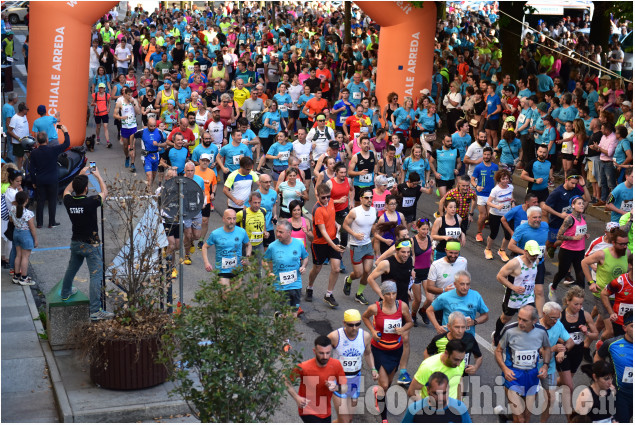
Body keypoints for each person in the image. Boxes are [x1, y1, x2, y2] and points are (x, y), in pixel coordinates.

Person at [60, 168, 113, 320]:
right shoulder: (91, 202)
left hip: (76, 242)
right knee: (95, 277)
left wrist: (79, 175)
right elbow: (105, 192)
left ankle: (65, 292)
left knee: (71, 269)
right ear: (86, 189)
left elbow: (66, 190)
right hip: (91, 244)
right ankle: (95, 311)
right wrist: (98, 175)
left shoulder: (69, 202)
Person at [361, 280, 413, 423]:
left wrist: (403, 329)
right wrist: (372, 331)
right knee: (384, 384)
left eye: (394, 293)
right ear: (383, 295)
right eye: (388, 294)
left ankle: (379, 394)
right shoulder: (375, 308)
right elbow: (364, 317)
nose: (391, 297)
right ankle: (384, 418)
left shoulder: (401, 306)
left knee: (388, 384)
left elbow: (410, 322)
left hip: (396, 349)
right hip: (379, 349)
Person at [495, 305, 551, 423]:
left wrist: (545, 366)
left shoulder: (541, 331)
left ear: (534, 321)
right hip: (513, 375)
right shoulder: (509, 330)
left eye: (524, 320)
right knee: (519, 418)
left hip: (532, 375)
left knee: (526, 417)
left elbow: (547, 348)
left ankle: (505, 417)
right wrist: (505, 369)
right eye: (519, 318)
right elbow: (498, 350)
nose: (520, 322)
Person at [327, 309, 376, 423]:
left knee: (348, 419)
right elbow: (322, 354)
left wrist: (373, 368)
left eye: (357, 324)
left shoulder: (365, 336)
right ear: (344, 323)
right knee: (343, 420)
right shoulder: (334, 336)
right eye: (351, 325)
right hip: (338, 381)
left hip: (355, 381)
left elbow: (368, 353)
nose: (354, 328)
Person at [286, 335, 347, 423]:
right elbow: (285, 380)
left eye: (328, 353)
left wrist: (336, 388)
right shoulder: (304, 367)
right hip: (307, 410)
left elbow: (344, 388)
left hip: (325, 411)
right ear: (314, 351)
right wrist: (297, 398)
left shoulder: (336, 365)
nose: (325, 357)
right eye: (321, 353)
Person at [582, 229, 630, 340]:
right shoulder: (603, 254)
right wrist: (591, 282)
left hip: (618, 295)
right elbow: (584, 262)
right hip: (602, 295)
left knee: (599, 325)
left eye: (626, 244)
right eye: (621, 244)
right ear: (613, 243)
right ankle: (600, 350)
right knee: (610, 331)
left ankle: (585, 346)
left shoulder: (627, 253)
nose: (624, 246)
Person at [493, 240, 542, 346]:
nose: (534, 257)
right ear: (525, 252)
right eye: (532, 254)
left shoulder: (536, 261)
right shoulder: (515, 263)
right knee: (505, 318)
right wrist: (513, 287)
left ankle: (524, 340)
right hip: (513, 297)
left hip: (528, 296)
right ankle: (496, 335)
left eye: (536, 255)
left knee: (531, 317)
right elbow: (499, 276)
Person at [306, 183, 346, 307]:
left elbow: (330, 216)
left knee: (336, 268)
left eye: (328, 196)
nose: (326, 199)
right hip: (320, 243)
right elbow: (322, 232)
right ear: (317, 195)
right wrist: (334, 246)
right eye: (323, 197)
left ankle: (329, 294)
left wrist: (335, 224)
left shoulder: (331, 202)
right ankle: (310, 287)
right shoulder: (317, 209)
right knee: (317, 269)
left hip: (333, 239)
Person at [537, 301, 574, 422]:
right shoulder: (534, 326)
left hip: (549, 367)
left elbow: (570, 341)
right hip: (531, 366)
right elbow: (533, 349)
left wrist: (563, 350)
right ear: (544, 314)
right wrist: (553, 349)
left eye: (557, 318)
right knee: (527, 398)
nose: (555, 321)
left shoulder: (558, 324)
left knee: (550, 399)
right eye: (552, 318)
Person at [263, 219, 309, 317]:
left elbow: (305, 257)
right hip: (279, 286)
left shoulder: (298, 244)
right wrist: (268, 272)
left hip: (295, 285)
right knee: (282, 316)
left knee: (293, 315)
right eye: (277, 231)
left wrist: (303, 266)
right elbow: (264, 260)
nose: (278, 234)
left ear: (289, 233)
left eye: (281, 232)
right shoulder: (272, 246)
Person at [594, 311, 633, 424]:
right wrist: (603, 378)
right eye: (633, 326)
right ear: (624, 328)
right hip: (621, 394)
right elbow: (598, 357)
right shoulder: (612, 344)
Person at [548, 196, 589, 300]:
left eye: (582, 203)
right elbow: (559, 236)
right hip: (567, 250)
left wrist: (585, 234)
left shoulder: (583, 217)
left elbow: (579, 230)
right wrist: (573, 238)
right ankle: (553, 288)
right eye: (579, 203)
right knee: (562, 272)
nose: (581, 205)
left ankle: (580, 300)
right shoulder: (569, 219)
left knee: (580, 274)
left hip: (580, 250)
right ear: (573, 205)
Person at [29, 125, 70, 228]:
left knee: (40, 201)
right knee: (52, 200)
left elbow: (31, 169)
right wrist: (65, 131)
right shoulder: (53, 150)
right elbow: (67, 144)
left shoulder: (34, 153)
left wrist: (34, 181)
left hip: (40, 180)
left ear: (38, 141)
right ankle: (51, 222)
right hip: (52, 179)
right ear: (47, 140)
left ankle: (39, 223)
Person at [427, 270, 489, 337]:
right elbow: (429, 310)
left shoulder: (476, 296)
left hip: (468, 338)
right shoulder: (445, 297)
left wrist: (475, 321)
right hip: (449, 337)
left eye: (467, 284)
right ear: (455, 284)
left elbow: (485, 315)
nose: (465, 287)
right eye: (462, 284)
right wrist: (437, 327)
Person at [543, 171, 590, 259]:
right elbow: (545, 206)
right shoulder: (557, 192)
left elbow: (588, 199)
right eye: (572, 183)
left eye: (576, 184)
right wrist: (559, 214)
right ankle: (542, 256)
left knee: (563, 240)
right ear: (566, 180)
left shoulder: (575, 189)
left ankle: (555, 247)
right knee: (550, 242)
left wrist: (583, 186)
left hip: (570, 223)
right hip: (556, 222)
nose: (574, 186)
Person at [342, 188, 376, 306]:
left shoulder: (374, 211)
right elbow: (345, 225)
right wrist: (355, 234)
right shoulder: (355, 212)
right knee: (358, 274)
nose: (369, 200)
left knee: (367, 271)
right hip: (356, 246)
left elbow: (371, 226)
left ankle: (359, 294)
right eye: (366, 198)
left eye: (371, 197)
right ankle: (349, 280)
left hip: (367, 245)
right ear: (361, 199)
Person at [202, 209, 251, 285]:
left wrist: (247, 257)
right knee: (226, 294)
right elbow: (205, 247)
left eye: (234, 218)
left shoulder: (241, 232)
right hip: (222, 270)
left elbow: (248, 244)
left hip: (237, 269)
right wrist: (206, 263)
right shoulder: (215, 234)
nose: (232, 221)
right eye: (229, 218)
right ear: (223, 219)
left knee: (235, 294)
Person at [424, 311, 483, 375]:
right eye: (457, 327)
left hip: (461, 376)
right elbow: (427, 353)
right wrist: (431, 369)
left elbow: (478, 357)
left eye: (463, 327)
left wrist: (475, 367)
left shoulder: (469, 339)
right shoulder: (439, 339)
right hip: (442, 378)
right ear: (449, 327)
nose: (460, 331)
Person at [423, 241, 468, 323]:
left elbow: (466, 280)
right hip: (442, 304)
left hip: (458, 302)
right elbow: (429, 288)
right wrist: (444, 290)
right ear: (445, 250)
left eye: (456, 253)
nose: (453, 256)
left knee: (458, 330)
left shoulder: (463, 262)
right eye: (451, 252)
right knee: (443, 331)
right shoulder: (436, 265)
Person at [402, 372, 472, 423]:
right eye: (435, 393)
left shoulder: (460, 408)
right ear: (428, 390)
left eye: (444, 393)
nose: (440, 398)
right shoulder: (414, 409)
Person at [484, 169, 514, 261]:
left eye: (507, 178)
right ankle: (488, 249)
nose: (505, 181)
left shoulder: (511, 187)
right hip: (495, 214)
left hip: (507, 214)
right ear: (499, 179)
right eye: (503, 179)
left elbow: (511, 196)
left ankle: (502, 250)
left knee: (508, 234)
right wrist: (496, 206)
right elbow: (488, 202)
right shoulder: (495, 190)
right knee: (494, 233)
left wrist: (512, 202)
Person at [601, 253, 633, 337]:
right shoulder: (620, 281)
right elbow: (604, 294)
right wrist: (611, 313)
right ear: (630, 265)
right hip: (620, 323)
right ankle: (600, 346)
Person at [9, 191, 37, 286]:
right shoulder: (28, 213)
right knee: (25, 257)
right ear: (26, 200)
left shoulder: (13, 209)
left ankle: (16, 276)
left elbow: (11, 220)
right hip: (25, 235)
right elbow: (32, 228)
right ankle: (24, 278)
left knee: (18, 255)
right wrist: (35, 240)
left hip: (16, 233)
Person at [471, 146, 498, 243]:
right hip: (481, 194)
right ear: (483, 155)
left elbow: (498, 180)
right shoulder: (478, 167)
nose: (486, 156)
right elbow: (472, 179)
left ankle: (482, 223)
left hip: (491, 195)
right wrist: (476, 186)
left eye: (488, 154)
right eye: (485, 154)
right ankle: (479, 233)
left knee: (489, 216)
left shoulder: (495, 167)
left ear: (491, 155)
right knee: (483, 216)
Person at [113, 87, 141, 172]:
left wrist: (134, 104)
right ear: (124, 94)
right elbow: (115, 115)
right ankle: (127, 157)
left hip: (133, 126)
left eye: (131, 95)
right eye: (128, 95)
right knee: (125, 146)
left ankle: (132, 164)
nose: (130, 97)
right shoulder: (120, 102)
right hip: (125, 127)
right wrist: (121, 117)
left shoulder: (134, 101)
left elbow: (139, 112)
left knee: (132, 146)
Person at [134, 118, 168, 187]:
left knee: (153, 176)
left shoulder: (159, 132)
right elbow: (132, 135)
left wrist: (158, 144)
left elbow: (165, 144)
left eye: (154, 126)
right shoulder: (142, 131)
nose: (152, 128)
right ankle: (149, 194)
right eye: (151, 126)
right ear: (147, 125)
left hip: (156, 155)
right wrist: (131, 147)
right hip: (146, 155)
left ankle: (148, 188)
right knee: (149, 176)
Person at [194, 154, 217, 247]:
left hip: (205, 199)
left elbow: (214, 184)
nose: (205, 162)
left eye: (207, 161)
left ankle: (201, 240)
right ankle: (190, 237)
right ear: (199, 161)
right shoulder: (193, 170)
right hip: (193, 198)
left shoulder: (211, 172)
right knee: (191, 220)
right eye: (203, 160)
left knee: (205, 221)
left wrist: (213, 193)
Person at [347, 136, 376, 206]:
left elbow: (376, 164)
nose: (366, 145)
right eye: (364, 143)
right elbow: (349, 172)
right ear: (360, 145)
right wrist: (359, 173)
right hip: (359, 185)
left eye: (367, 143)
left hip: (370, 183)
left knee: (370, 202)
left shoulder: (373, 154)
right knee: (358, 203)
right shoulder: (356, 157)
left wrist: (375, 174)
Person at [7, 102, 29, 170]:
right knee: (20, 159)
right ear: (23, 110)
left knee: (29, 156)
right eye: (27, 109)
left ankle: (26, 170)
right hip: (18, 143)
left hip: (26, 141)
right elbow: (9, 131)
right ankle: (19, 174)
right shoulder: (15, 118)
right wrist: (19, 139)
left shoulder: (24, 116)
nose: (28, 110)